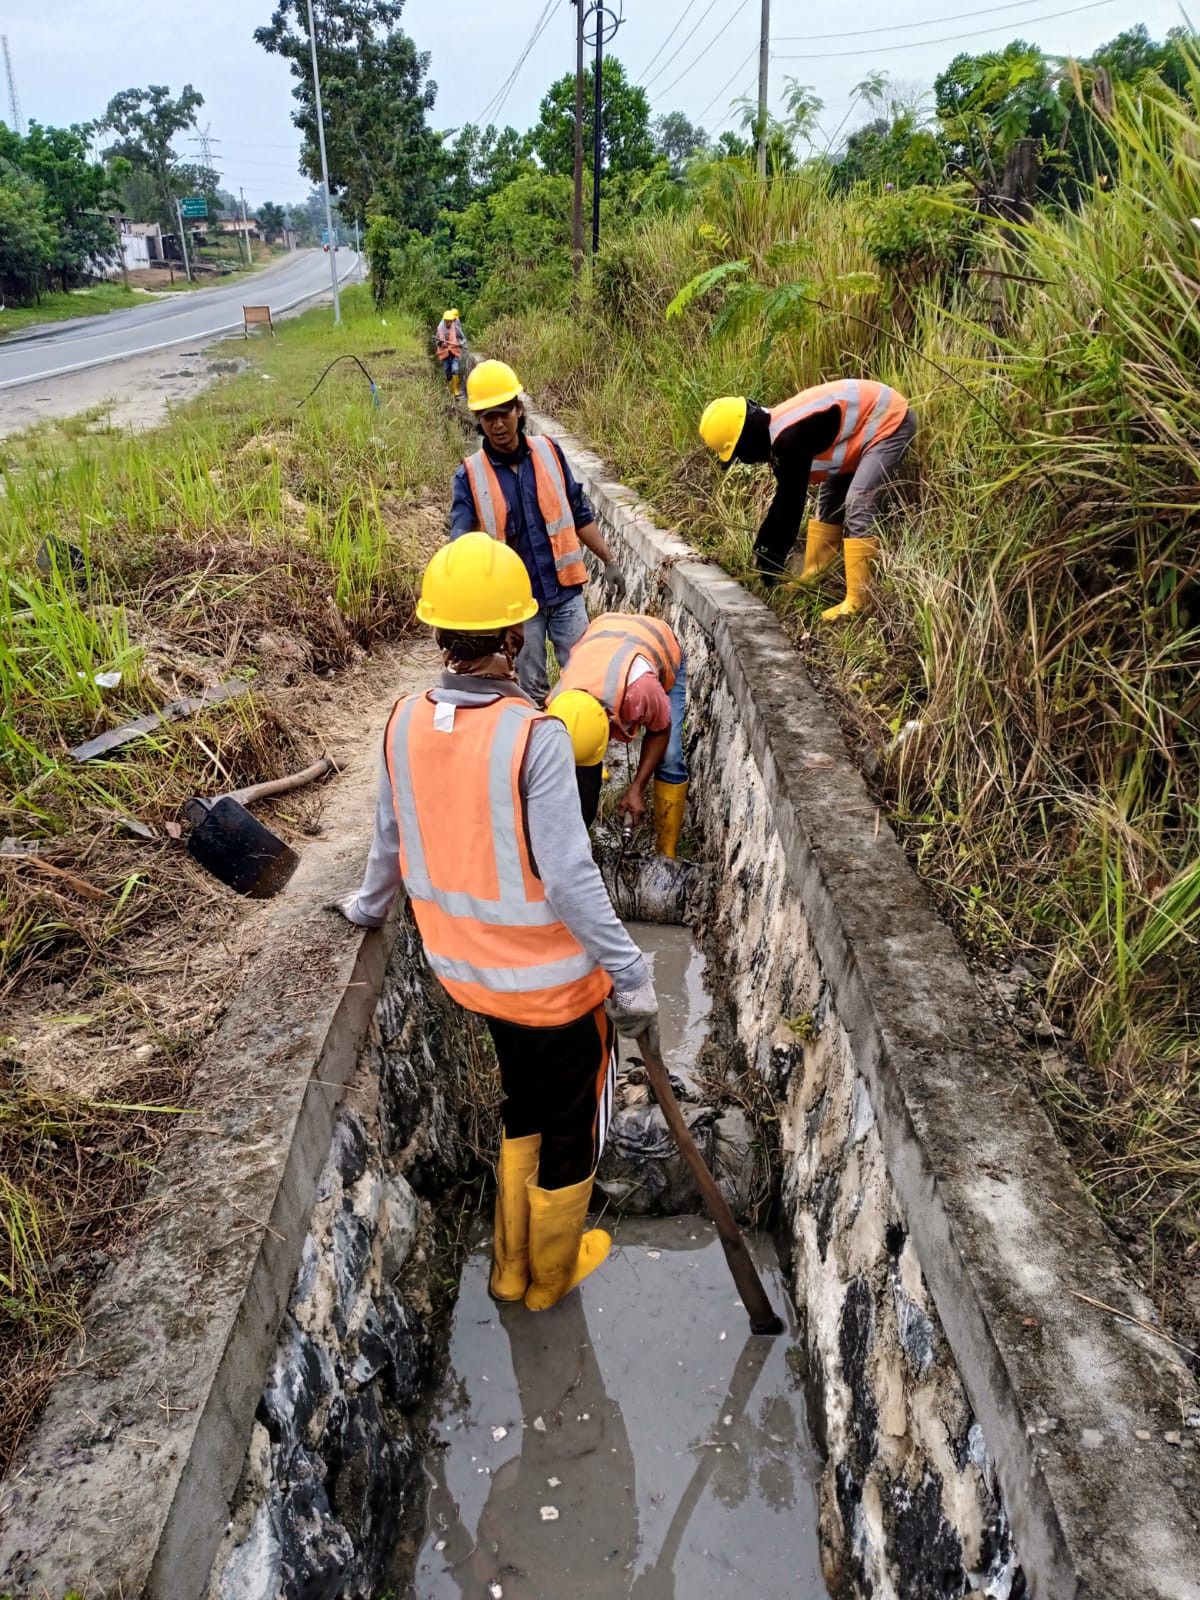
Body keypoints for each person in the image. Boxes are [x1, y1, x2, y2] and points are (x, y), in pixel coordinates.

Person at [334, 532, 657, 1312]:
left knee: (522, 1101)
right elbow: (571, 878)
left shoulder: (402, 721)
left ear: (439, 633)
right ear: (517, 634)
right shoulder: (535, 737)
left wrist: (366, 909)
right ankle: (549, 1277)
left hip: (471, 978)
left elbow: (388, 840)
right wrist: (631, 972)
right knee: (573, 1123)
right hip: (555, 988)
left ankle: (510, 1267)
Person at [450, 358, 627, 706]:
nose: (498, 424)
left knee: (585, 681)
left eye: (504, 412)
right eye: (488, 417)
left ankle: (582, 739)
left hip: (564, 593)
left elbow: (577, 511)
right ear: (479, 421)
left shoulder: (549, 452)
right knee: (529, 691)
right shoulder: (469, 476)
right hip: (517, 607)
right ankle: (541, 739)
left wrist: (609, 559)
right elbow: (461, 546)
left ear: (518, 409)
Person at [699, 381, 916, 618]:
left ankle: (860, 599)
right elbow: (785, 497)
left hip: (889, 420)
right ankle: (816, 573)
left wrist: (770, 559)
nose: (743, 460)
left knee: (859, 501)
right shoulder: (776, 434)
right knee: (829, 496)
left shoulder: (789, 439)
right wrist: (764, 549)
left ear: (746, 440)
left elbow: (791, 504)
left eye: (738, 454)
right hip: (864, 428)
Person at [548, 613, 688, 858]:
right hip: (603, 633)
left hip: (656, 642)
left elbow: (660, 731)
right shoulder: (557, 703)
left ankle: (666, 854)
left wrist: (637, 789)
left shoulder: (640, 691)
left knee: (670, 756)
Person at [434, 308, 466, 399]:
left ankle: (456, 390)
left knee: (455, 369)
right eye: (447, 321)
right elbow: (436, 341)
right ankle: (450, 389)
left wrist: (461, 343)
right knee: (447, 371)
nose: (449, 323)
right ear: (444, 320)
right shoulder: (440, 328)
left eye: (450, 321)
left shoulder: (455, 328)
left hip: (454, 352)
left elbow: (463, 338)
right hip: (445, 353)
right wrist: (440, 343)